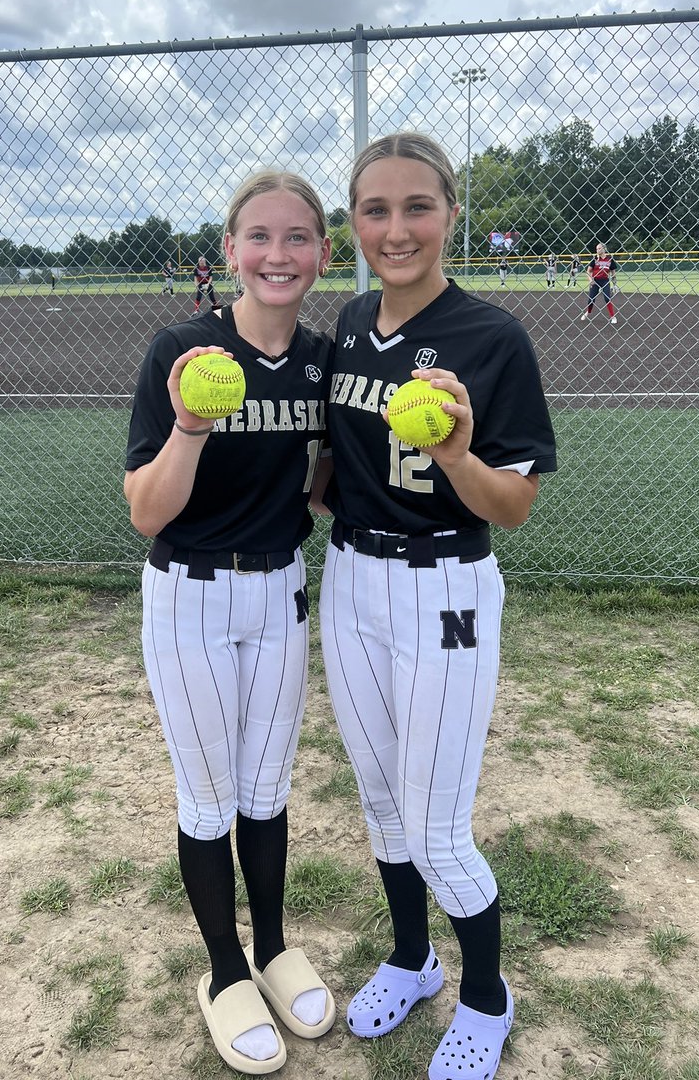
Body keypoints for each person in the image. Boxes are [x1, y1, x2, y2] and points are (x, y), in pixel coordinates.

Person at [316, 133, 556, 1080]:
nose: (396, 228)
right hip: (351, 580)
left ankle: (487, 998)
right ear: (354, 225)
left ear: (451, 213)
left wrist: (457, 455)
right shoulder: (345, 324)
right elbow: (334, 468)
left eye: (417, 206)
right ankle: (413, 959)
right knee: (381, 804)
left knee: (437, 825)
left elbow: (516, 506)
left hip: (446, 583)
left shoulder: (491, 336)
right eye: (375, 210)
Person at [125, 171, 336, 1076]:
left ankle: (273, 948)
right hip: (193, 595)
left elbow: (324, 488)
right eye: (259, 237)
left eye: (297, 238)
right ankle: (221, 972)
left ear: (323, 254)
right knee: (209, 798)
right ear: (231, 253)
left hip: (281, 589)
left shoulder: (327, 362)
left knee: (268, 788)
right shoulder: (184, 348)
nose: (277, 255)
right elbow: (145, 508)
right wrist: (189, 427)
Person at [581, 243, 618, 323]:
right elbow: (588, 271)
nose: (597, 250)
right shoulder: (595, 259)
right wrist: (591, 280)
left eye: (599, 248)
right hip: (595, 280)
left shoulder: (610, 259)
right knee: (591, 299)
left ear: (604, 249)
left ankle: (613, 317)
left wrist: (615, 284)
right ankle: (588, 312)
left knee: (607, 298)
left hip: (605, 280)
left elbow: (613, 273)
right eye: (597, 249)